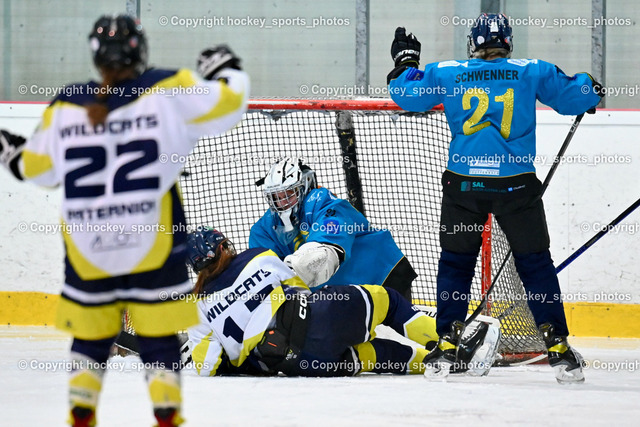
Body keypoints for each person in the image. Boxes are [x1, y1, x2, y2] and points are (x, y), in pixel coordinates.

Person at [0, 15, 249, 426]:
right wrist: (227, 68)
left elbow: (39, 170)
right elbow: (229, 103)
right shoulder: (167, 88)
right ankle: (166, 417)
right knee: (158, 338)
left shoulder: (67, 104)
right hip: (151, 244)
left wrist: (12, 152)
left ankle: (81, 416)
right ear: (140, 52)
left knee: (91, 338)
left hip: (88, 249)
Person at [387, 13, 604, 382]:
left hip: (464, 187)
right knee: (535, 266)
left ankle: (448, 340)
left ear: (472, 44)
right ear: (508, 44)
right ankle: (557, 345)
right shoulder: (532, 70)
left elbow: (406, 95)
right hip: (515, 187)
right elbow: (577, 96)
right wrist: (590, 88)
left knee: (456, 265)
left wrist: (405, 62)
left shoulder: (447, 71)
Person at [184, 227, 500, 378]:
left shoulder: (197, 308)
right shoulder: (257, 257)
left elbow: (208, 367)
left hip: (300, 364)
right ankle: (453, 348)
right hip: (321, 314)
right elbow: (298, 289)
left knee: (375, 355)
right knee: (389, 302)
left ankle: (449, 366)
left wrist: (246, 361)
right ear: (223, 247)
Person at [249, 157, 417, 301]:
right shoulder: (263, 230)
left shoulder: (321, 202)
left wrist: (294, 271)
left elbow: (324, 249)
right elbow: (266, 274)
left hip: (381, 274)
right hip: (341, 299)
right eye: (276, 197)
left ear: (304, 186)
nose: (283, 203)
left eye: (289, 194)